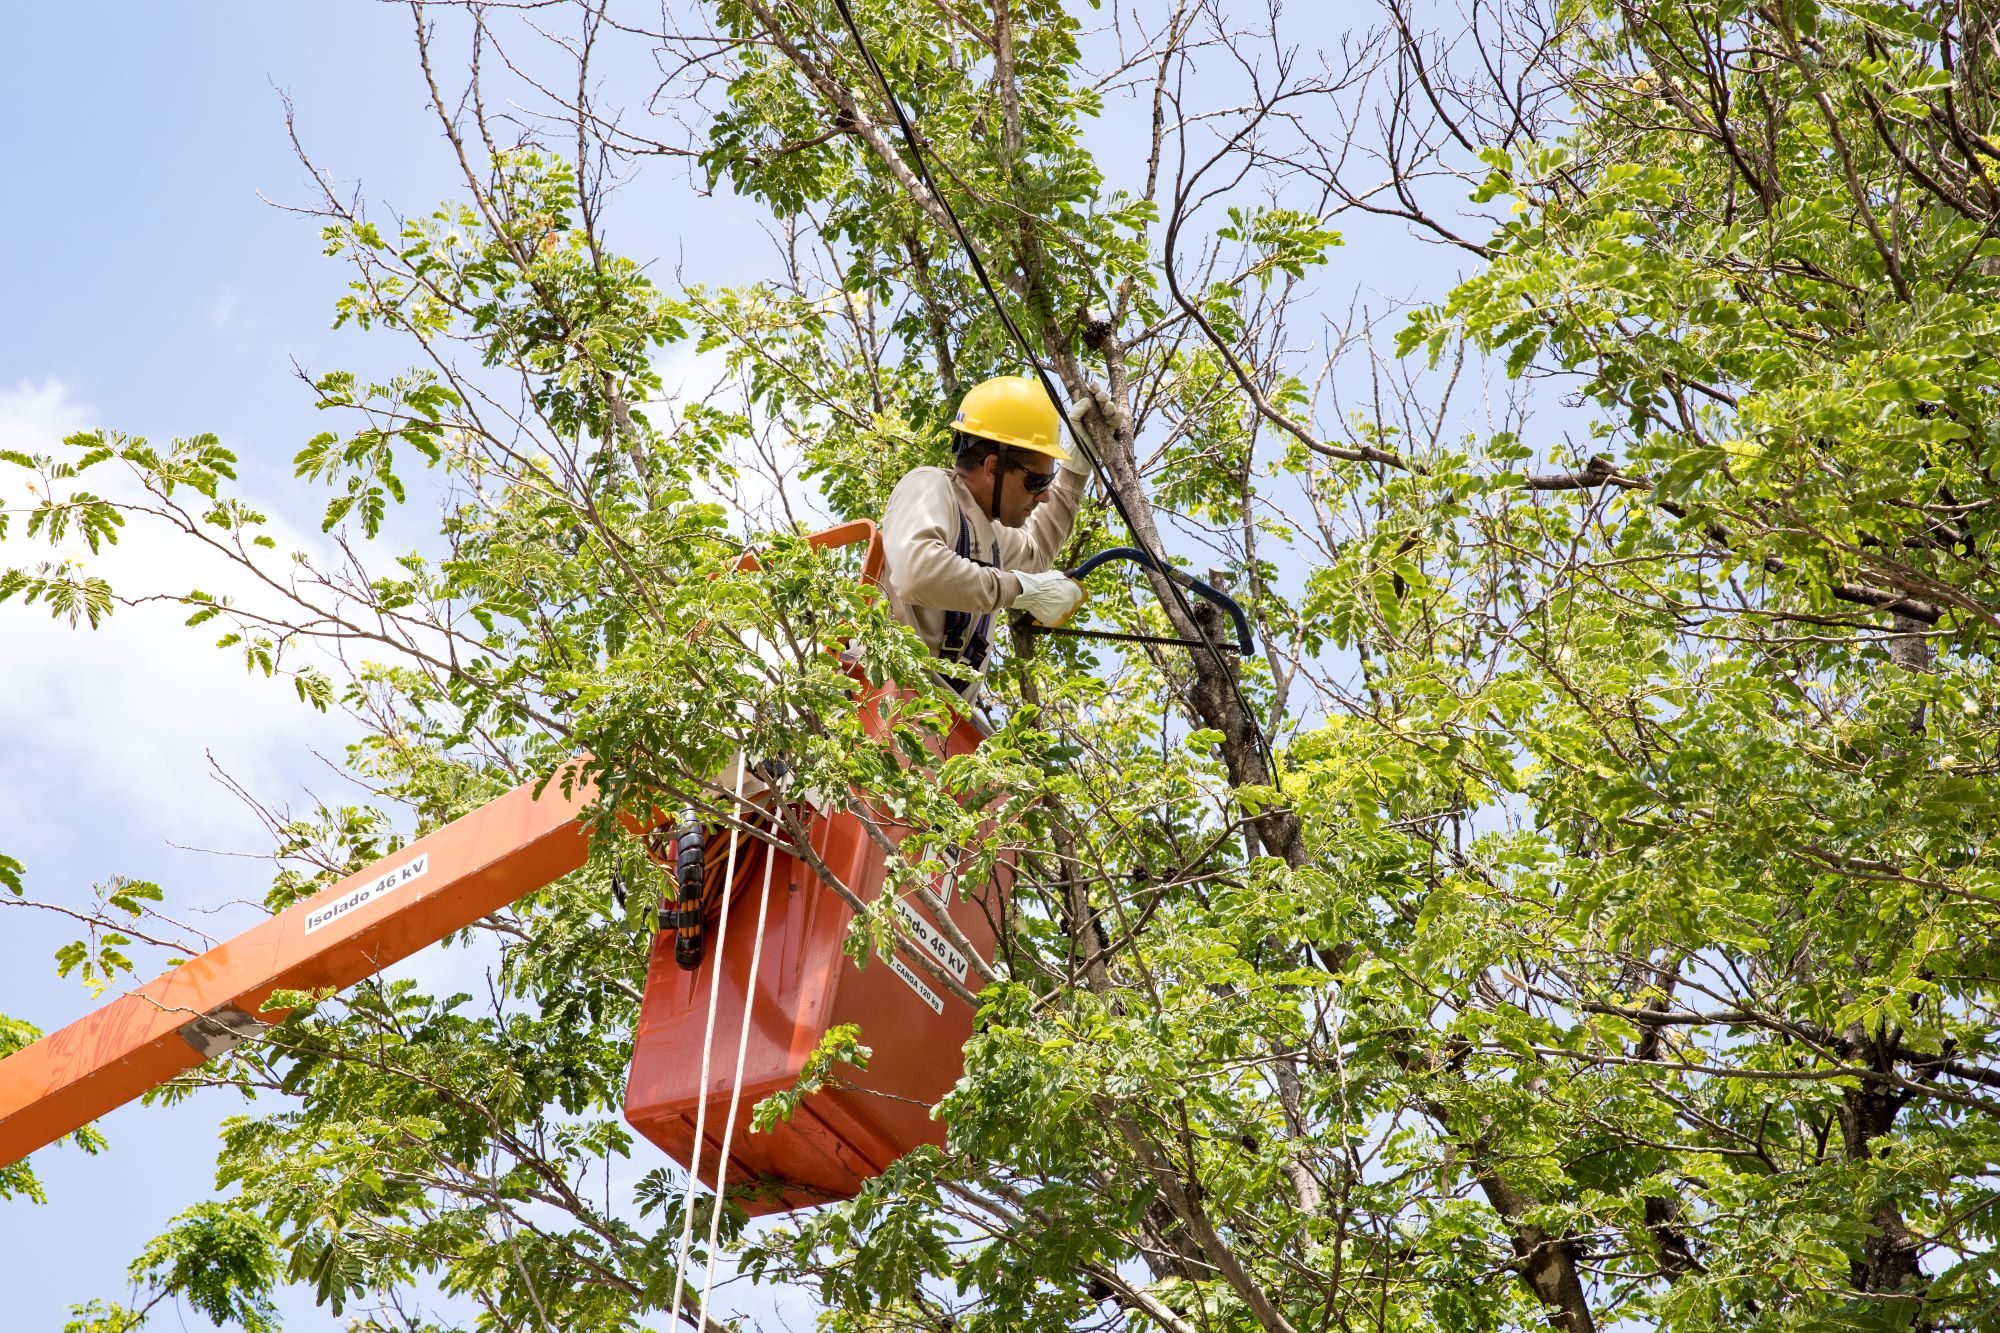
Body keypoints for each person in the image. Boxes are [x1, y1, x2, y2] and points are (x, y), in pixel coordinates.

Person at [879, 375, 1097, 691]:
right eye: (1036, 483)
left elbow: (1035, 555)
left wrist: (1075, 470)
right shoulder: (930, 487)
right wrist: (1018, 588)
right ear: (992, 469)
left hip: (936, 726)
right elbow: (917, 572)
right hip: (882, 704)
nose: (1044, 497)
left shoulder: (991, 534)